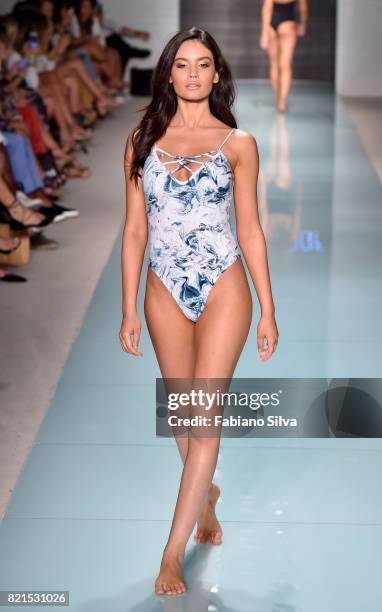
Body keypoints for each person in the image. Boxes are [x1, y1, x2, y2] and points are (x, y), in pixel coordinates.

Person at [120, 27, 279, 596]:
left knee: (203, 416)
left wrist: (267, 309)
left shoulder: (239, 144)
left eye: (203, 64)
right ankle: (206, 494)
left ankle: (170, 552)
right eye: (182, 63)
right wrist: (127, 308)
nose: (192, 73)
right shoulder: (142, 138)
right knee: (183, 417)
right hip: (162, 288)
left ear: (216, 74)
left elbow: (252, 230)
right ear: (169, 73)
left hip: (224, 286)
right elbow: (135, 230)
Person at [260, 0, 308, 112]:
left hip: (271, 26)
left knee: (274, 65)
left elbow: (267, 9)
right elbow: (303, 8)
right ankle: (282, 102)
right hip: (288, 24)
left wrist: (264, 33)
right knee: (285, 66)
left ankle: (278, 97)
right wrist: (303, 24)